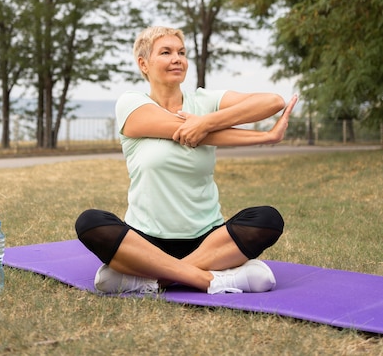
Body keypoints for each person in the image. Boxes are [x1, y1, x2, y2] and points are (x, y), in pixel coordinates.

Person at [75, 26, 298, 296]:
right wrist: (262, 136)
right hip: (145, 239)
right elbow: (189, 133)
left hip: (207, 240)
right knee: (90, 222)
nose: (177, 58)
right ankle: (214, 280)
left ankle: (153, 280)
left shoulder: (205, 101)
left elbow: (272, 102)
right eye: (166, 52)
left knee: (267, 219)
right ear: (143, 64)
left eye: (181, 52)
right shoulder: (131, 104)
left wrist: (206, 121)